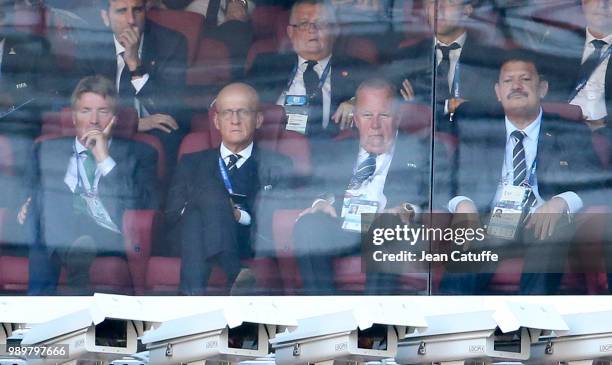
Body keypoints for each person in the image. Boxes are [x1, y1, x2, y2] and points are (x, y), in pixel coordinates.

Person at [444, 53, 603, 294]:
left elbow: (598, 185)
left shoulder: (568, 130)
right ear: (498, 92)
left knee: (551, 232)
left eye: (525, 79)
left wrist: (561, 201)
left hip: (542, 219)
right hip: (492, 220)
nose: (516, 87)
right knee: (468, 244)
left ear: (543, 88)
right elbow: (451, 180)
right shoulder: (479, 129)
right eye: (508, 81)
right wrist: (464, 205)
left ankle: (533, 326)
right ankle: (454, 326)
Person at [292, 78, 430, 295]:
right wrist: (320, 203)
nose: (374, 125)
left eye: (383, 115)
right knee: (309, 224)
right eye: (367, 115)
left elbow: (432, 195)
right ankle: (323, 313)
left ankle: (375, 320)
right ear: (355, 118)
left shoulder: (420, 150)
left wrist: (408, 210)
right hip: (344, 225)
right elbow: (316, 188)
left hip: (386, 226)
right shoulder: (338, 150)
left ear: (398, 116)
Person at [24, 75, 159, 294]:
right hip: (59, 225)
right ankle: (72, 259)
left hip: (109, 230)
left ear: (114, 118)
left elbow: (142, 202)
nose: (93, 120)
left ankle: (39, 301)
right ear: (74, 117)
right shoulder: (46, 150)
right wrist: (26, 203)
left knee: (48, 224)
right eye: (85, 110)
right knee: (43, 204)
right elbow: (27, 195)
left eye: (103, 111)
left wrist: (104, 158)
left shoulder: (141, 153)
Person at [165, 83, 293, 295]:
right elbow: (171, 214)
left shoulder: (278, 164)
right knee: (200, 210)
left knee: (197, 216)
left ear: (258, 119)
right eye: (227, 113)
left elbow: (274, 220)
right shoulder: (191, 162)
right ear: (216, 120)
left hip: (247, 239)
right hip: (190, 239)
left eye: (243, 111)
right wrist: (213, 209)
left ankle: (189, 300)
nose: (235, 120)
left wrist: (237, 216)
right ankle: (235, 273)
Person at [74, 0, 188, 174]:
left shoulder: (172, 43)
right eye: (121, 11)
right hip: (106, 128)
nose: (131, 20)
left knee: (169, 134)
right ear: (105, 17)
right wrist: (134, 124)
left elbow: (171, 110)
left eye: (137, 10)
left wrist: (135, 65)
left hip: (155, 134)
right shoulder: (90, 45)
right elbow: (79, 107)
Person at [246, 0, 369, 141]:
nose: (312, 30)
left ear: (335, 30)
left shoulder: (357, 68)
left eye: (321, 23)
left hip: (333, 154)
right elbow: (233, 97)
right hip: (274, 152)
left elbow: (388, 90)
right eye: (304, 24)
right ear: (291, 32)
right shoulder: (267, 66)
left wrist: (357, 102)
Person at [385, 0, 502, 133]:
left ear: (466, 10)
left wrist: (425, 107)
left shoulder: (489, 60)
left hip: (475, 144)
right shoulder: (407, 57)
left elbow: (490, 107)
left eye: (449, 1)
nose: (438, 8)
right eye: (431, 2)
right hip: (418, 147)